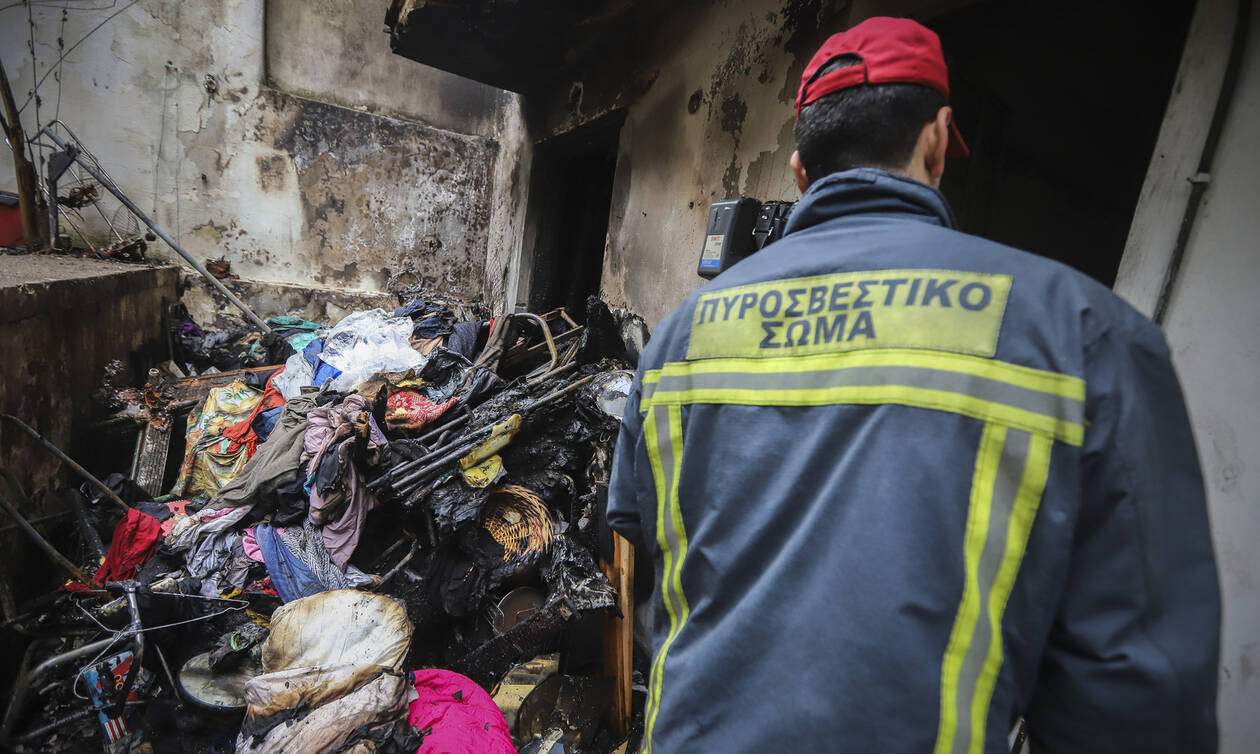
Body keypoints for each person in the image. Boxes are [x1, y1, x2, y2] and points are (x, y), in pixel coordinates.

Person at [607, 16, 1220, 754]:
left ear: (801, 170)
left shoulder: (678, 340)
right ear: (938, 140)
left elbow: (636, 554)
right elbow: (1136, 693)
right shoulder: (1085, 336)